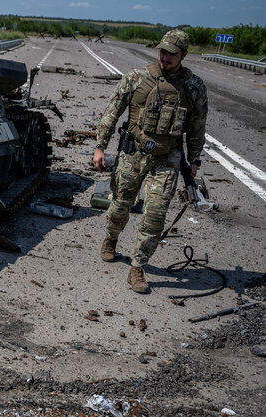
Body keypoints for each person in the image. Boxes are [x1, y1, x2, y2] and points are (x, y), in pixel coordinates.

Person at [92, 29, 208, 294]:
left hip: (167, 159)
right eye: (162, 51)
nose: (165, 57)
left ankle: (138, 266)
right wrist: (100, 147)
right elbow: (113, 110)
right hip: (133, 154)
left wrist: (194, 160)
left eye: (171, 53)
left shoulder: (193, 86)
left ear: (184, 55)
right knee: (121, 205)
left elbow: (197, 126)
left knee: (155, 216)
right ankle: (111, 238)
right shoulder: (137, 77)